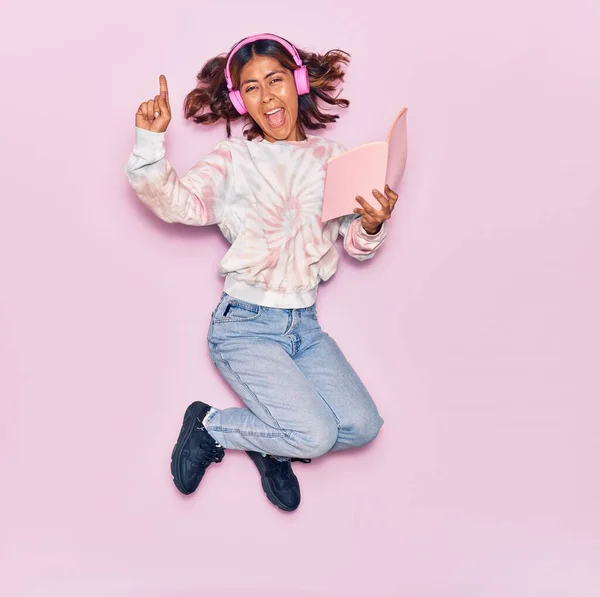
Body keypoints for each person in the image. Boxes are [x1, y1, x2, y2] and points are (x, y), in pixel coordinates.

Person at [125, 33, 399, 512]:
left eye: (275, 80)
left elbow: (355, 246)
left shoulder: (334, 159)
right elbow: (178, 205)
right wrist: (150, 143)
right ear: (239, 100)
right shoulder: (236, 159)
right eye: (251, 88)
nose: (267, 96)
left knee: (362, 426)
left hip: (306, 328)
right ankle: (210, 424)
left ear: (297, 82)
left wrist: (372, 224)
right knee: (313, 437)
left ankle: (270, 441)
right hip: (246, 327)